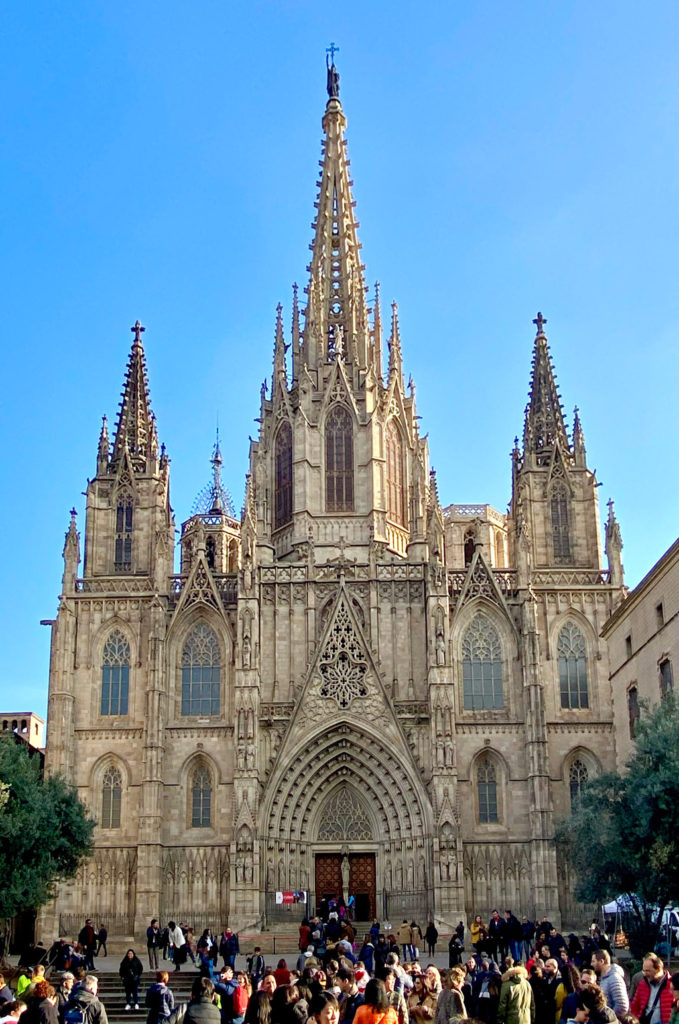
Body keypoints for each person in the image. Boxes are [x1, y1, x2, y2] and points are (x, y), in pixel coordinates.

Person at [631, 955, 673, 1024]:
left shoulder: (672, 984)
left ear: (658, 969)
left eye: (648, 971)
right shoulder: (643, 984)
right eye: (644, 971)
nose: (645, 974)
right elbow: (634, 1007)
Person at [591, 953, 629, 1019]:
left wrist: (609, 1019)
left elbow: (622, 1006)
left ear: (601, 962)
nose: (591, 964)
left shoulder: (614, 978)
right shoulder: (605, 978)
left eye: (593, 961)